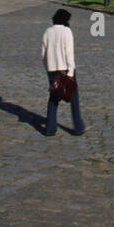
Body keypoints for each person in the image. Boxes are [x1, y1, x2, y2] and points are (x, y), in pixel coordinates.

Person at [41, 8, 84, 136]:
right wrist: (70, 72)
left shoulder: (47, 32)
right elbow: (69, 54)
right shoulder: (66, 32)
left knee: (53, 98)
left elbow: (43, 54)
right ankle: (78, 127)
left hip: (52, 69)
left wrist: (47, 68)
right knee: (74, 98)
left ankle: (50, 128)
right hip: (65, 69)